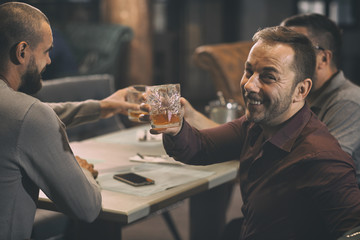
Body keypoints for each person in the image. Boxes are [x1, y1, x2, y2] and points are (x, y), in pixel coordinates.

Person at [152, 26, 360, 239]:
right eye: (249, 71)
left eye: (268, 77)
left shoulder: (322, 159)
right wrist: (176, 129)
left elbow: (353, 231)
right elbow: (201, 147)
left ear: (301, 90)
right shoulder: (257, 125)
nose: (249, 85)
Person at [0, 2, 104, 239]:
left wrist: (103, 106)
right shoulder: (29, 115)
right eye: (46, 51)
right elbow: (86, 207)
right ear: (22, 51)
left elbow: (28, 116)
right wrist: (85, 171)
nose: (49, 61)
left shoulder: (22, 113)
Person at [280, 13, 360, 183]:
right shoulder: (300, 97)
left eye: (296, 50)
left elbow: (323, 168)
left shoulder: (349, 102)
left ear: (323, 58)